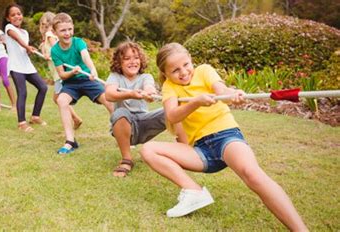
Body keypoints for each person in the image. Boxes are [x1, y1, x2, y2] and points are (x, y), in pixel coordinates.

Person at [139, 43, 307, 231]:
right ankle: (193, 191)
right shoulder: (169, 87)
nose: (184, 72)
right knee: (148, 149)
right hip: (201, 150)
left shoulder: (203, 71)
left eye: (186, 65)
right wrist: (196, 102)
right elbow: (172, 115)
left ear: (191, 61)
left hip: (226, 136)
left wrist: (232, 94)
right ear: (165, 73)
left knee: (253, 176)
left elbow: (221, 90)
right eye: (175, 70)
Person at [50, 12, 113, 154]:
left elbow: (86, 56)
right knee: (61, 100)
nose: (67, 33)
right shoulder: (55, 51)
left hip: (87, 79)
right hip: (71, 82)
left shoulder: (78, 42)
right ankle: (70, 141)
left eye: (69, 29)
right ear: (55, 32)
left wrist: (92, 69)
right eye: (63, 30)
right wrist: (72, 72)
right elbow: (62, 75)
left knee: (109, 100)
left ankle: (123, 133)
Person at [105, 41, 166, 177]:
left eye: (136, 58)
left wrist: (148, 94)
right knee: (120, 113)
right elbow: (109, 95)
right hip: (124, 126)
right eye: (127, 59)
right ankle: (127, 160)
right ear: (119, 62)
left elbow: (149, 88)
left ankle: (183, 149)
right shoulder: (115, 77)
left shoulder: (146, 77)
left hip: (144, 124)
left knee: (170, 111)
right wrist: (131, 94)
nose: (133, 62)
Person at [2, 3, 48, 132]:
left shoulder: (25, 32)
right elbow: (16, 39)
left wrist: (29, 49)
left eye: (19, 13)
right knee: (22, 92)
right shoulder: (9, 28)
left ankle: (35, 116)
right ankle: (21, 123)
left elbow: (23, 48)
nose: (17, 16)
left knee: (43, 87)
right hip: (16, 66)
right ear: (8, 18)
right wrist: (27, 46)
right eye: (13, 15)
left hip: (27, 65)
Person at [39, 11, 83, 130]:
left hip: (59, 72)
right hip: (56, 73)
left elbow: (56, 49)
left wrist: (50, 55)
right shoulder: (49, 37)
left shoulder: (49, 34)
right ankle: (75, 119)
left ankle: (75, 119)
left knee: (59, 99)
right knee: (57, 99)